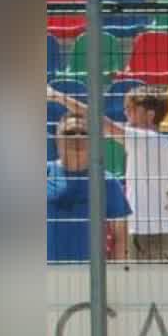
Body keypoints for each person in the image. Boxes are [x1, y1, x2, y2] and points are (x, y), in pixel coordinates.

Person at [49, 85, 168, 262]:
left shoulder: (148, 140)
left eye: (132, 110)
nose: (126, 114)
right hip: (156, 232)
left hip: (145, 234)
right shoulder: (164, 146)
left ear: (150, 115)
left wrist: (57, 97)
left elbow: (101, 123)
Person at [45, 111, 131, 262]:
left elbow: (121, 238)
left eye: (84, 133)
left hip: (91, 276)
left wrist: (117, 278)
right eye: (70, 133)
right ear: (58, 140)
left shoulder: (107, 182)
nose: (78, 137)